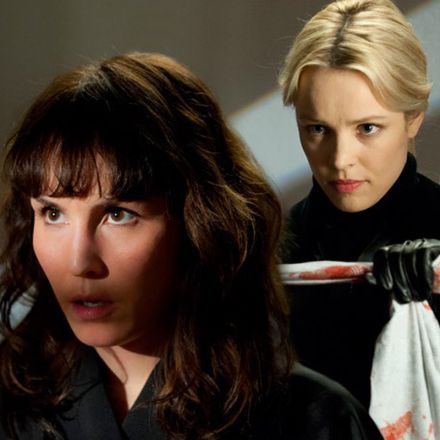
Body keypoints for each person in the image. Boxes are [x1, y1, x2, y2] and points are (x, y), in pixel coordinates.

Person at [0, 53, 382, 439]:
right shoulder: (11, 404)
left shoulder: (312, 423)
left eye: (117, 214)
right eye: (52, 213)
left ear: (200, 225)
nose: (78, 261)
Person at [278, 0, 440, 409]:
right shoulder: (267, 252)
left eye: (367, 128)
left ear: (414, 117)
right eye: (318, 129)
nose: (340, 159)